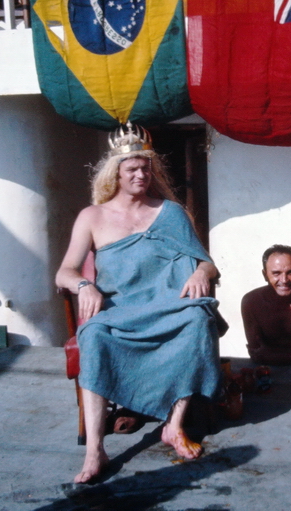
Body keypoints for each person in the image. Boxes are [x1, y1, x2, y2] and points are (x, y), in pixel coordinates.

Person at [56, 123, 223, 484]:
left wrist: (200, 272)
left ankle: (173, 425)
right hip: (118, 311)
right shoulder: (92, 217)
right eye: (132, 168)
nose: (140, 175)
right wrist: (84, 285)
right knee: (94, 336)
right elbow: (64, 272)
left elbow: (206, 262)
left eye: (146, 168)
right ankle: (95, 450)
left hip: (168, 306)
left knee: (198, 320)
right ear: (115, 173)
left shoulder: (171, 212)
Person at [241, 245, 291, 365]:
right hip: (267, 370)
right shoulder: (251, 302)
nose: (284, 280)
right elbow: (256, 353)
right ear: (265, 275)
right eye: (276, 273)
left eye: (290, 272)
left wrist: (272, 355)